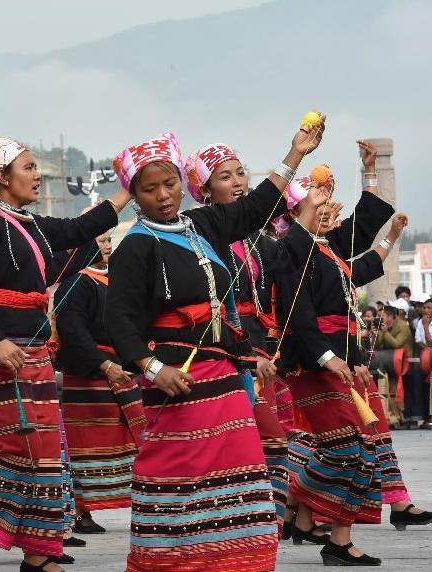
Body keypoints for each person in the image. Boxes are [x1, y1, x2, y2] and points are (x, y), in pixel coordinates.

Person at [106, 119, 325, 571]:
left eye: (170, 184)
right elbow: (121, 322)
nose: (164, 196)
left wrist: (295, 152)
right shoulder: (136, 247)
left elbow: (259, 206)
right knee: (179, 477)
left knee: (242, 472)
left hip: (223, 378)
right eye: (150, 190)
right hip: (176, 382)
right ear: (135, 194)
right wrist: (152, 368)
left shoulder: (203, 223)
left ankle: (234, 561)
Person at [0, 137, 132, 572]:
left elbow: (79, 230)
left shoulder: (29, 223)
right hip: (0, 351)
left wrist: (126, 189)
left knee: (46, 451)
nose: (37, 174)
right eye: (28, 167)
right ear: (3, 177)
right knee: (16, 447)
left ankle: (39, 551)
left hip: (33, 349)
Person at [276, 141, 398, 566]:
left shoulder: (324, 246)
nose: (326, 206)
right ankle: (287, 500)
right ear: (295, 209)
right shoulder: (291, 247)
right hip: (311, 362)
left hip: (336, 359)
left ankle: (338, 537)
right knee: (347, 448)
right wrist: (330, 358)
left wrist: (367, 172)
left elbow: (363, 227)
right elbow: (301, 316)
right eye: (316, 198)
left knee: (361, 449)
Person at [185, 141, 296, 536]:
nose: (236, 182)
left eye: (240, 173)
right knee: (260, 444)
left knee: (260, 445)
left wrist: (310, 212)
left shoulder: (253, 239)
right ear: (204, 188)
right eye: (224, 176)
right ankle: (242, 522)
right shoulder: (200, 228)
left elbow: (291, 256)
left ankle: (255, 523)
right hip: (223, 350)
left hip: (253, 349)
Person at [55, 231, 146, 535]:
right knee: (88, 447)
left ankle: (140, 501)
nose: (107, 246)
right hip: (90, 376)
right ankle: (81, 509)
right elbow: (73, 332)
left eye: (109, 240)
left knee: (131, 441)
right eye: (101, 241)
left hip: (122, 371)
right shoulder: (76, 284)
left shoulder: (116, 282)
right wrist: (105, 365)